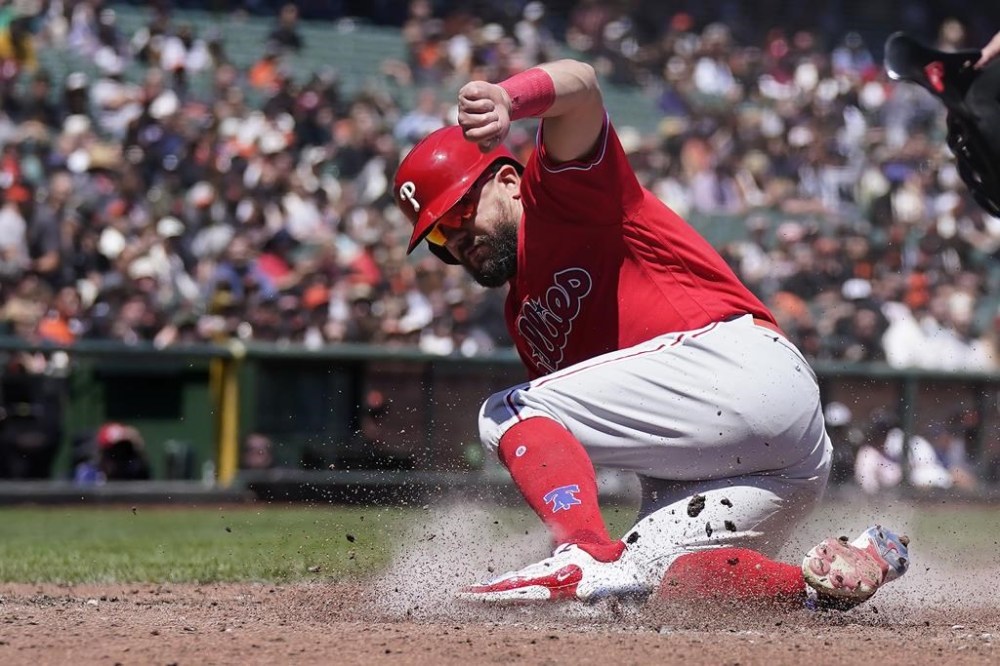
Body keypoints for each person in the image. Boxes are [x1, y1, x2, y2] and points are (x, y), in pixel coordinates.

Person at [391, 58, 910, 609]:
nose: (456, 238)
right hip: (779, 463)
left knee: (508, 412)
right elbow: (600, 436)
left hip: (740, 366)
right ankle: (830, 584)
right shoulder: (523, 319)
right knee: (641, 590)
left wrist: (509, 98)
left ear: (508, 181)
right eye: (440, 236)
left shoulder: (560, 195)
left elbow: (583, 85)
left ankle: (582, 552)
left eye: (459, 212)